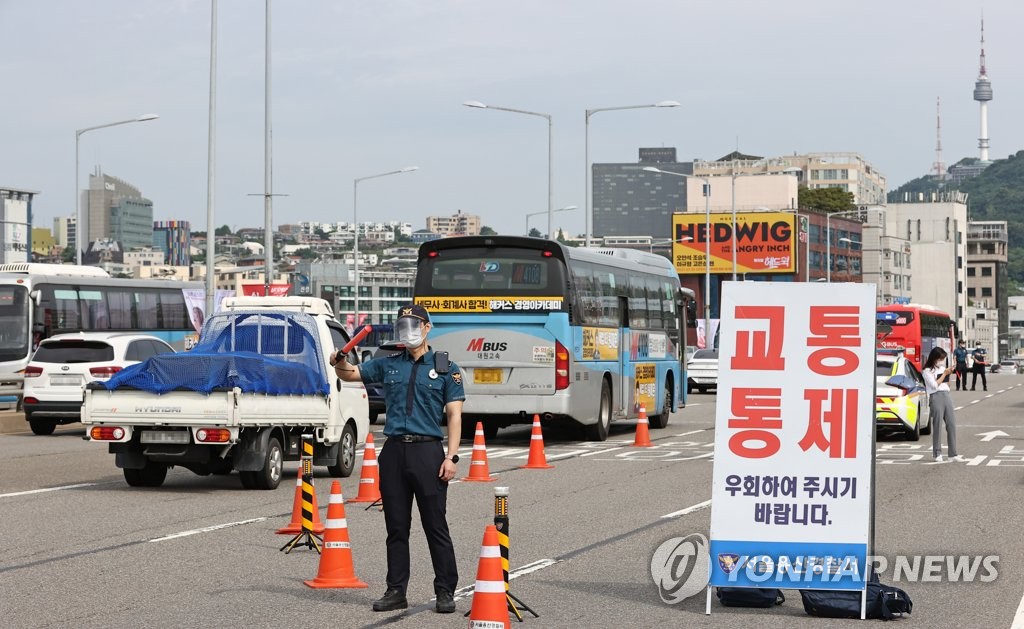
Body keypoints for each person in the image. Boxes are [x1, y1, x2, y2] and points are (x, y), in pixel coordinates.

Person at [331, 304, 463, 614]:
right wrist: (339, 360)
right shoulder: (388, 364)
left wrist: (452, 456)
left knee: (435, 525)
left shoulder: (446, 368)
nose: (408, 330)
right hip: (393, 451)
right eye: (402, 324)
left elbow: (455, 415)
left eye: (413, 324)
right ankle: (396, 590)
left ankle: (445, 590)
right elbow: (349, 373)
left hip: (428, 452)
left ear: (427, 328)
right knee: (396, 527)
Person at [922, 347, 962, 463]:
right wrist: (944, 374)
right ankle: (937, 453)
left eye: (943, 359)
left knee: (951, 424)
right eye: (940, 358)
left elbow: (946, 382)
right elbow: (934, 385)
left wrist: (948, 373)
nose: (942, 361)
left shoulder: (943, 368)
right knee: (937, 425)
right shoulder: (927, 371)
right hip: (936, 396)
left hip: (946, 394)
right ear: (935, 358)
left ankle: (953, 454)